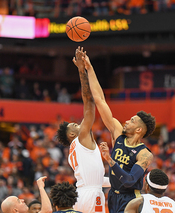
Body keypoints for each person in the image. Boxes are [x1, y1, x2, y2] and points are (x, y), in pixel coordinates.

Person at [82, 50, 156, 213]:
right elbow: (100, 100)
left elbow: (130, 181)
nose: (127, 121)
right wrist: (90, 69)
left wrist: (110, 160)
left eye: (132, 121)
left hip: (131, 199)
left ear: (138, 129)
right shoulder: (118, 134)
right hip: (113, 197)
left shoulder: (144, 154)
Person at [56, 47, 110, 213]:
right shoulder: (81, 139)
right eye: (75, 125)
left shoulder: (74, 151)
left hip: (81, 194)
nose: (79, 124)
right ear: (72, 134)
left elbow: (96, 178)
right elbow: (89, 103)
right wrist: (82, 70)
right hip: (91, 195)